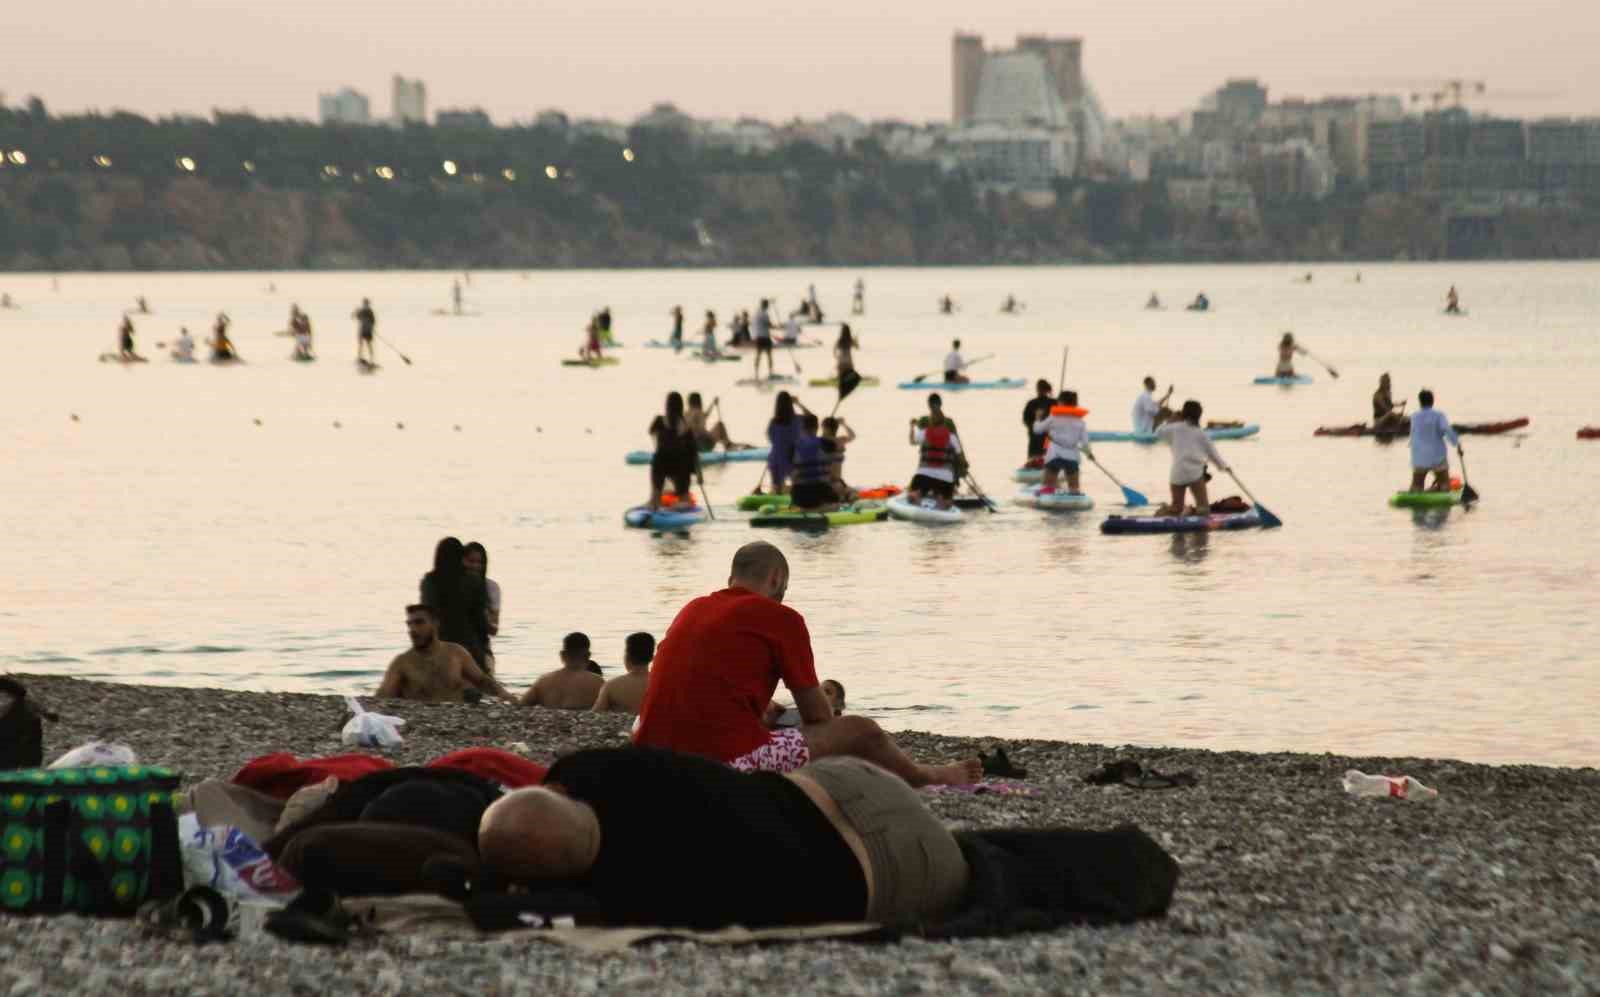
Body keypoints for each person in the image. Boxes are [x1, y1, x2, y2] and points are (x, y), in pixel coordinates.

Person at [477, 746, 971, 930]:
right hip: (845, 782)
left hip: (901, 871)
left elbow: (510, 911)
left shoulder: (625, 897)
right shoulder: (590, 768)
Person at [633, 542, 981, 787]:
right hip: (721, 763)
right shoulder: (782, 617)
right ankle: (927, 776)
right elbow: (818, 717)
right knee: (861, 730)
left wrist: (760, 713)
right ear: (775, 580)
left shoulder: (693, 608)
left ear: (731, 580)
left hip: (650, 754)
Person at [375, 605, 514, 703]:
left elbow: (482, 680)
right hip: (422, 722)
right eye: (409, 624)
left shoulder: (455, 653)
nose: (412, 629)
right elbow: (383, 697)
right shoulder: (402, 663)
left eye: (419, 623)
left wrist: (504, 694)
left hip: (457, 717)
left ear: (435, 623)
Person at [420, 537, 491, 668]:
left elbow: (426, 617)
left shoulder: (429, 581)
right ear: (460, 557)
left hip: (438, 650)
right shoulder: (473, 582)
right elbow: (481, 624)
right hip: (470, 652)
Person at [1155, 400, 1229, 516]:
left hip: (1177, 474)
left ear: (1183, 414)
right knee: (1203, 508)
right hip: (1194, 475)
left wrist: (1170, 420)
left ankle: (1165, 513)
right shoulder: (1201, 434)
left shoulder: (1174, 428)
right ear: (1199, 415)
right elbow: (1213, 455)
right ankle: (1196, 521)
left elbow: (1158, 432)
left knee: (1176, 507)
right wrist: (1224, 467)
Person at [521, 633, 605, 709]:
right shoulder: (598, 683)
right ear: (588, 655)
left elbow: (520, 706)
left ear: (562, 655)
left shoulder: (543, 681)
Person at [647, 391, 700, 510]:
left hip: (662, 463)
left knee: (658, 457)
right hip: (681, 466)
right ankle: (682, 502)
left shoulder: (659, 421)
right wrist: (699, 475)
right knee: (684, 498)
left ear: (667, 405)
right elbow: (694, 453)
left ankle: (654, 500)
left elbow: (654, 437)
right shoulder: (686, 427)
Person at [1032, 390, 1092, 494]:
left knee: (1048, 487)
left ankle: (1048, 491)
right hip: (1072, 457)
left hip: (1055, 457)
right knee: (1074, 489)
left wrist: (1038, 418)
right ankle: (1074, 494)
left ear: (1061, 402)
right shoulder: (1080, 421)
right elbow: (1085, 443)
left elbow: (1037, 430)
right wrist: (1089, 454)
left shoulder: (1053, 417)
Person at [906, 405, 964, 510]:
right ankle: (942, 500)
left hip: (925, 475)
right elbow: (959, 457)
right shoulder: (952, 437)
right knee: (947, 504)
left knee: (912, 496)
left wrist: (911, 427)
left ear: (930, 421)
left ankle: (917, 500)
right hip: (945, 478)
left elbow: (912, 441)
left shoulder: (924, 433)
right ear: (944, 422)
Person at [1408, 390, 1461, 493]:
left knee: (1417, 485)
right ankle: (1442, 490)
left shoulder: (1414, 416)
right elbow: (1446, 429)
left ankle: (1417, 491)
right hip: (1437, 456)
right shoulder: (1439, 415)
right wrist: (1457, 444)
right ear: (1432, 401)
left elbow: (1413, 435)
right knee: (1444, 483)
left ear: (1420, 402)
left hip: (1419, 457)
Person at [591, 632, 654, 715]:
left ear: (627, 656)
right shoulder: (662, 684)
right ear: (652, 658)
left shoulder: (611, 686)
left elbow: (595, 715)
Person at [462, 541, 501, 670]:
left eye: (479, 562)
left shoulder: (491, 588)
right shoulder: (454, 587)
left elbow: (494, 629)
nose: (475, 566)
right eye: (471, 561)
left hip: (481, 649)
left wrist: (482, 614)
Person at [789, 414, 835, 511]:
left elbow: (791, 472)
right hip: (820, 494)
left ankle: (800, 507)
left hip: (798, 495)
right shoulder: (825, 443)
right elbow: (838, 447)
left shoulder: (792, 446)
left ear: (801, 428)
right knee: (837, 501)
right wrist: (827, 435)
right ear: (817, 427)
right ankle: (824, 507)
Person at [764, 391, 805, 494]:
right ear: (791, 404)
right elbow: (812, 417)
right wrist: (798, 403)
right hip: (792, 458)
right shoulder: (797, 420)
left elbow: (770, 438)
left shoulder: (773, 422)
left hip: (775, 458)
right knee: (797, 486)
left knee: (777, 487)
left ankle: (777, 494)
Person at [820, 417, 856, 501]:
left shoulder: (820, 441)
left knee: (851, 495)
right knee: (850, 495)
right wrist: (843, 424)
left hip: (833, 481)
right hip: (830, 481)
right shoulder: (840, 441)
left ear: (826, 428)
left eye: (822, 427)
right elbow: (852, 436)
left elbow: (852, 436)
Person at [1022, 380, 1054, 459]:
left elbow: (1026, 420)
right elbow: (1026, 420)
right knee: (1044, 456)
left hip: (1042, 437)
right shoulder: (1054, 402)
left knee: (1038, 457)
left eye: (1040, 389)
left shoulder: (1032, 403)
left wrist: (1034, 426)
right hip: (1043, 437)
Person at [752, 298, 775, 380]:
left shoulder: (756, 313)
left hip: (758, 337)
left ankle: (756, 374)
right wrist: (775, 326)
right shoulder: (765, 313)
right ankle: (771, 373)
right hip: (765, 337)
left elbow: (755, 325)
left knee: (758, 355)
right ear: (766, 305)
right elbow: (768, 324)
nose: (768, 306)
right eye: (767, 305)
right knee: (769, 355)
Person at [354, 298, 377, 364]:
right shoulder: (366, 310)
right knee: (366, 344)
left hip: (365, 330)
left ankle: (367, 358)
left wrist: (356, 312)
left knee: (364, 344)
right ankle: (368, 358)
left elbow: (356, 317)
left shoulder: (366, 310)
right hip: (365, 329)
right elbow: (373, 321)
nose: (366, 304)